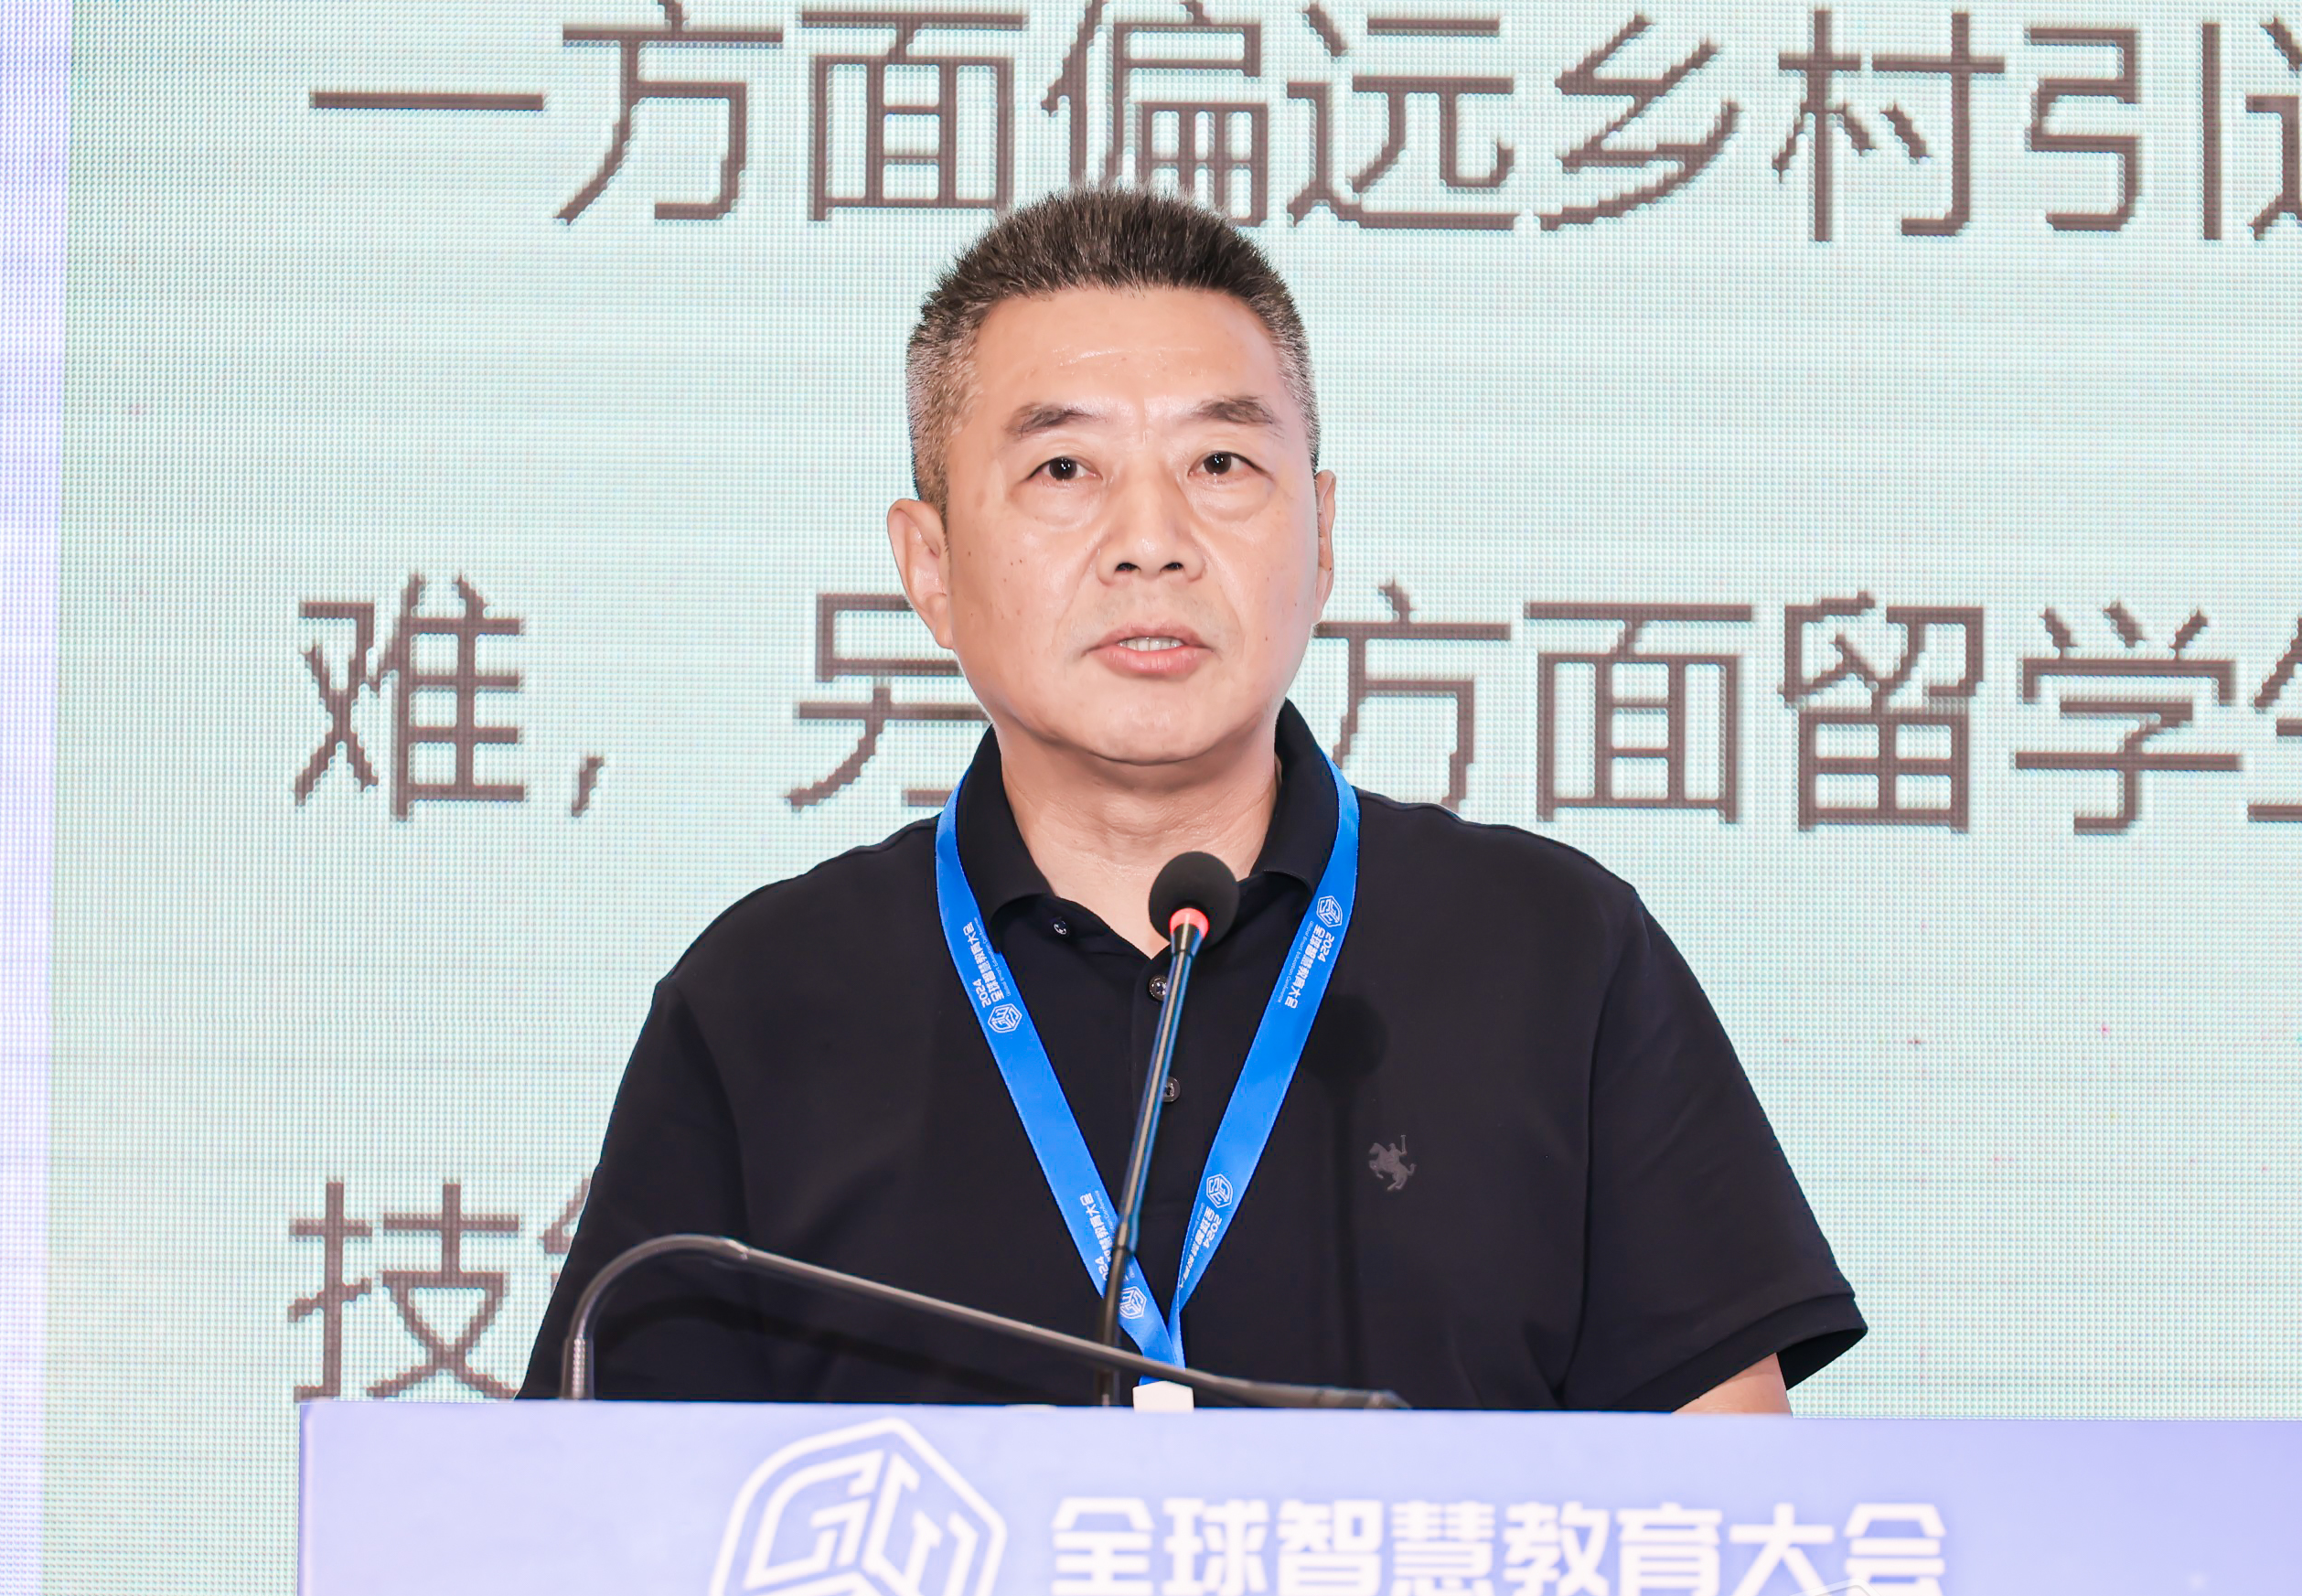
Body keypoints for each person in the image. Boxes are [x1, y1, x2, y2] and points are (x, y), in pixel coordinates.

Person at [520, 187, 1862, 1412]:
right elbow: (601, 1542)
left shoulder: (1555, 955)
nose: (1152, 541)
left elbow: (1737, 1531)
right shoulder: (767, 998)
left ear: (1322, 536)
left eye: (1221, 465)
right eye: (1064, 470)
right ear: (929, 566)